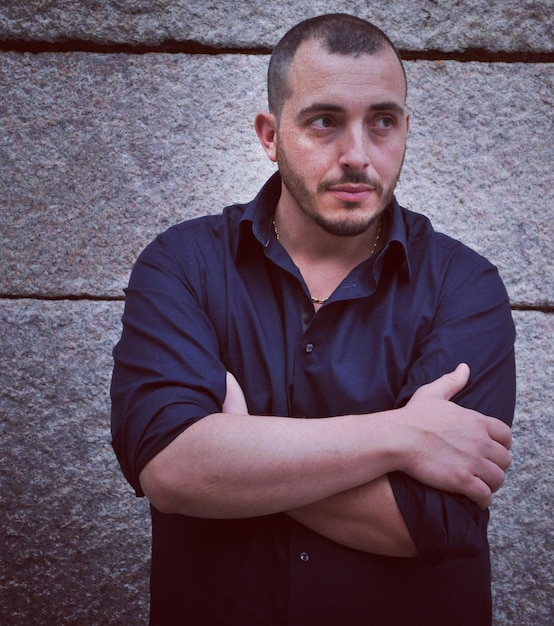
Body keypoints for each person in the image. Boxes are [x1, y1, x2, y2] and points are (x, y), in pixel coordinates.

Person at [111, 13, 515, 626]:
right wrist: (401, 435)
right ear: (270, 135)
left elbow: (431, 521)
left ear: (405, 129)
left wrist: (242, 460)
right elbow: (173, 467)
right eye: (325, 121)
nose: (357, 155)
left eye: (381, 122)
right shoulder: (184, 266)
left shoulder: (466, 286)